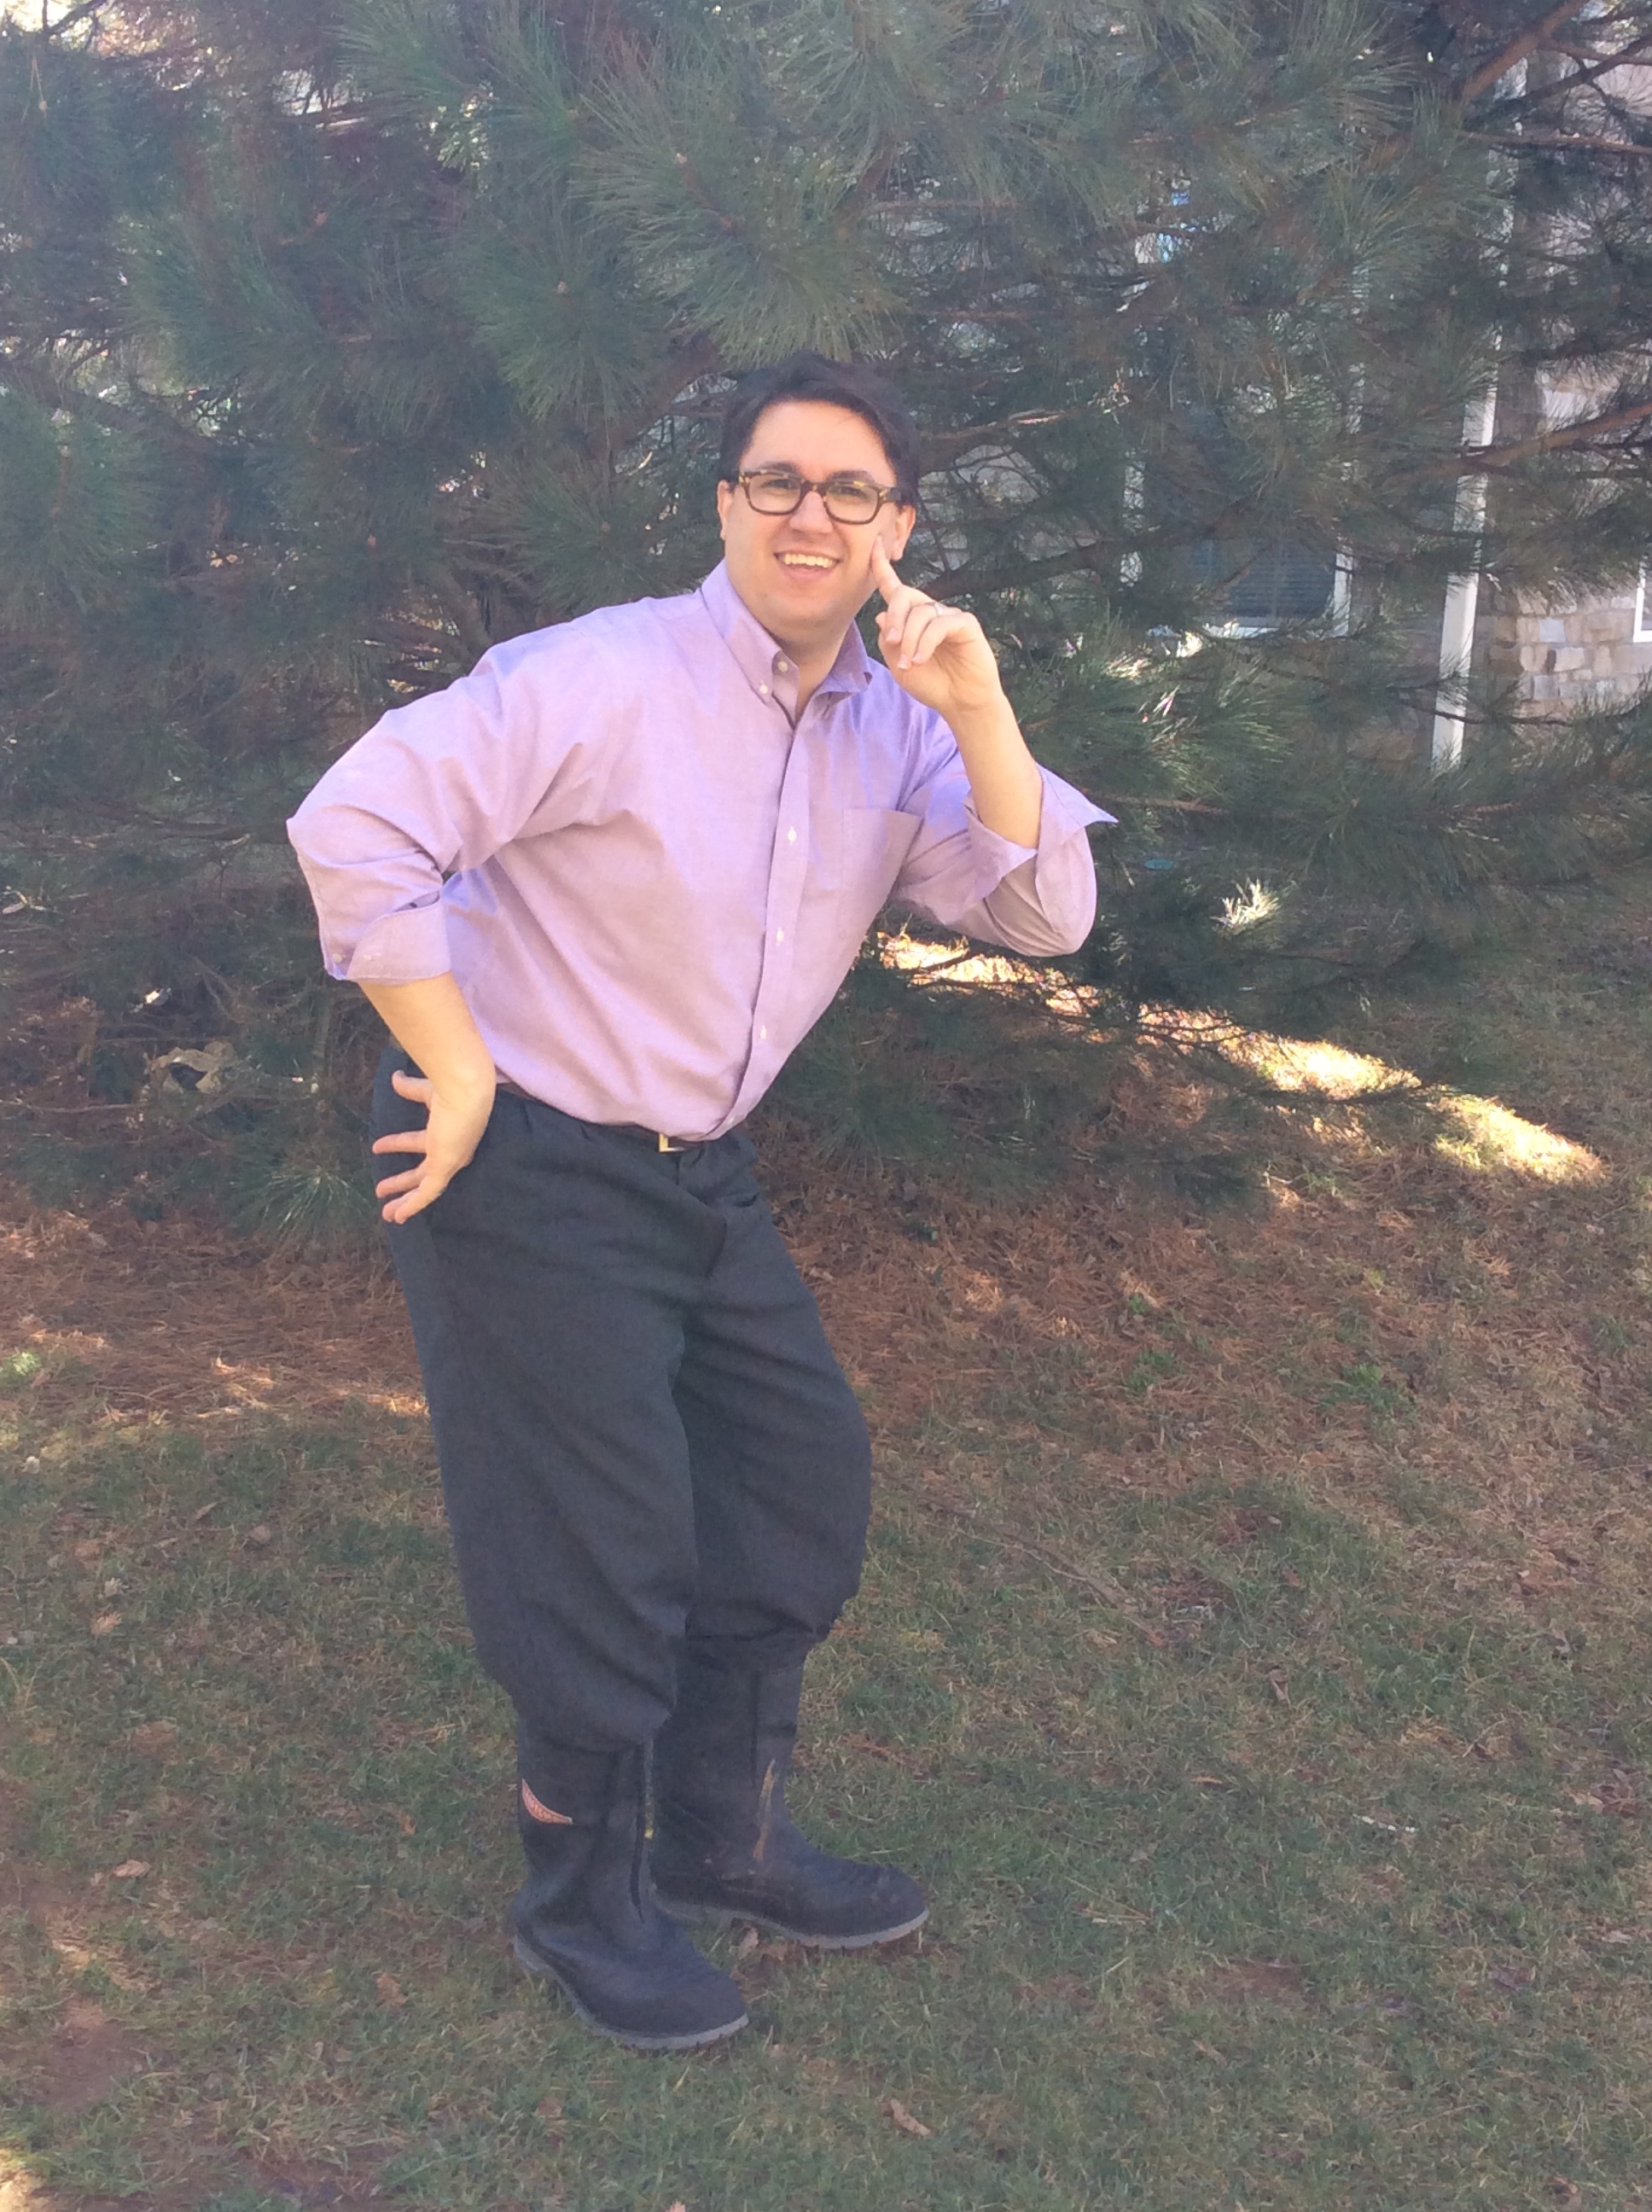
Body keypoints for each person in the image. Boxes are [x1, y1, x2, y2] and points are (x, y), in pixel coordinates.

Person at [287, 352, 1109, 2052]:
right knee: (596, 1547)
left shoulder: (900, 723)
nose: (811, 515)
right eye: (775, 481)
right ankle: (580, 1903)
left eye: (850, 490)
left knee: (793, 1479)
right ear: (725, 503)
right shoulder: (600, 677)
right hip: (519, 1156)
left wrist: (977, 707)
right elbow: (354, 819)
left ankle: (723, 1844)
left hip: (696, 1167)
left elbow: (1042, 916)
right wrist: (449, 1060)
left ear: (898, 526)